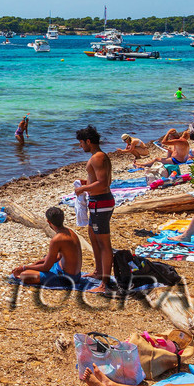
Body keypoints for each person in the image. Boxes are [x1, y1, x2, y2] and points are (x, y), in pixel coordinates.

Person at [73, 125, 114, 292]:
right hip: (98, 202)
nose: (80, 146)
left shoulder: (98, 157)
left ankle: (104, 284)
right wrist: (87, 183)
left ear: (88, 141)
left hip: (101, 203)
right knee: (93, 235)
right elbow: (100, 180)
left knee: (104, 243)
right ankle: (98, 272)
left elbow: (103, 183)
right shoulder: (98, 156)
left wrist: (83, 189)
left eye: (81, 143)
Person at [11, 206, 82, 285]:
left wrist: (24, 268)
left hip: (67, 278)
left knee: (25, 275)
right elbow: (58, 257)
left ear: (48, 221)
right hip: (73, 274)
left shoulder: (57, 239)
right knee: (44, 259)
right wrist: (33, 265)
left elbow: (46, 267)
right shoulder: (70, 232)